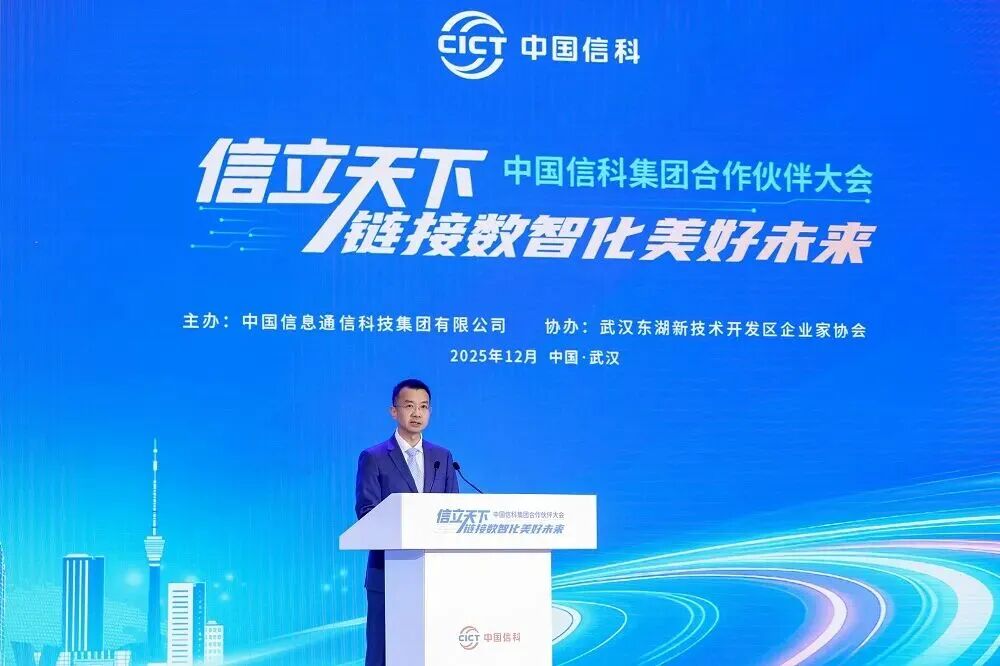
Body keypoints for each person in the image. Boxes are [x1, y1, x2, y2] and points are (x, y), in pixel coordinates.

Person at [354, 378, 459, 666]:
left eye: (423, 407)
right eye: (409, 406)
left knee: (430, 650)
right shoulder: (374, 457)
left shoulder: (443, 457)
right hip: (387, 572)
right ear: (394, 411)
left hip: (433, 574)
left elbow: (453, 512)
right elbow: (366, 512)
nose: (417, 413)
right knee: (383, 652)